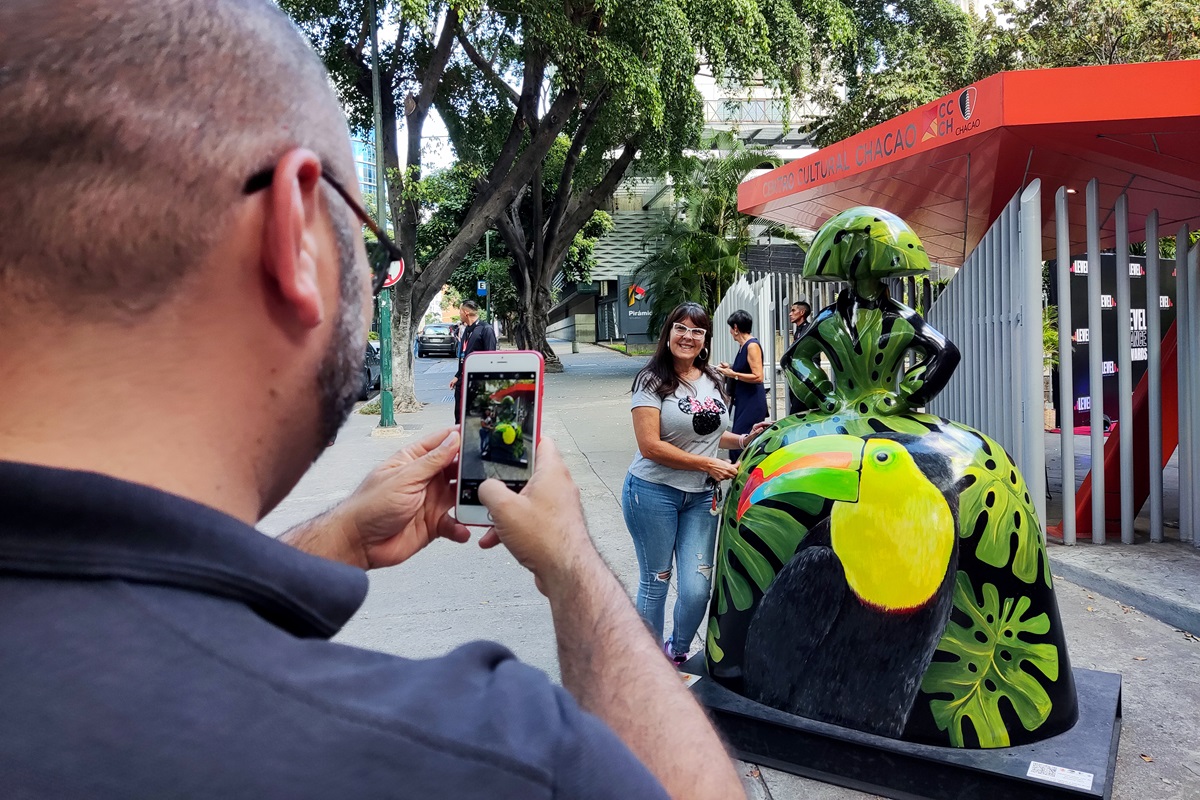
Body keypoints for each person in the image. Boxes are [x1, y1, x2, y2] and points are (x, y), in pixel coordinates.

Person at [0, 3, 746, 799]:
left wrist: (338, 538)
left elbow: (135, 627)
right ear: (293, 232)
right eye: (362, 238)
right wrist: (572, 568)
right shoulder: (490, 755)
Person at [622, 303, 767, 667]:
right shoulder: (651, 380)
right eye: (681, 328)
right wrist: (706, 464)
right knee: (657, 580)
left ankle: (677, 650)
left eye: (697, 331)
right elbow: (649, 445)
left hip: (702, 497)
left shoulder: (714, 380)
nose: (688, 337)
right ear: (668, 334)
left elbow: (712, 436)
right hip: (652, 492)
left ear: (706, 340)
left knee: (697, 588)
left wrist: (745, 439)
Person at [716, 310, 769, 461]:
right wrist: (730, 368)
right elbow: (744, 368)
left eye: (731, 328)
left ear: (736, 328)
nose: (730, 332)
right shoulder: (743, 346)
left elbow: (758, 376)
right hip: (743, 399)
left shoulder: (752, 346)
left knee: (741, 438)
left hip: (752, 400)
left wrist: (733, 374)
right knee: (739, 438)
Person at [450, 300, 497, 424]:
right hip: (463, 380)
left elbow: (490, 358)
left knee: (475, 418)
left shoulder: (486, 329)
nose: (459, 313)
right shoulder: (467, 330)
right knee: (460, 416)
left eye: (460, 311)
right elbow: (464, 355)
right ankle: (459, 440)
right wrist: (457, 375)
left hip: (477, 382)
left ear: (465, 312)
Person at [787, 300, 812, 414]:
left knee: (797, 413)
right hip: (796, 378)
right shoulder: (798, 330)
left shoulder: (808, 330)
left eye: (793, 310)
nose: (790, 314)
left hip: (804, 379)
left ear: (802, 312)